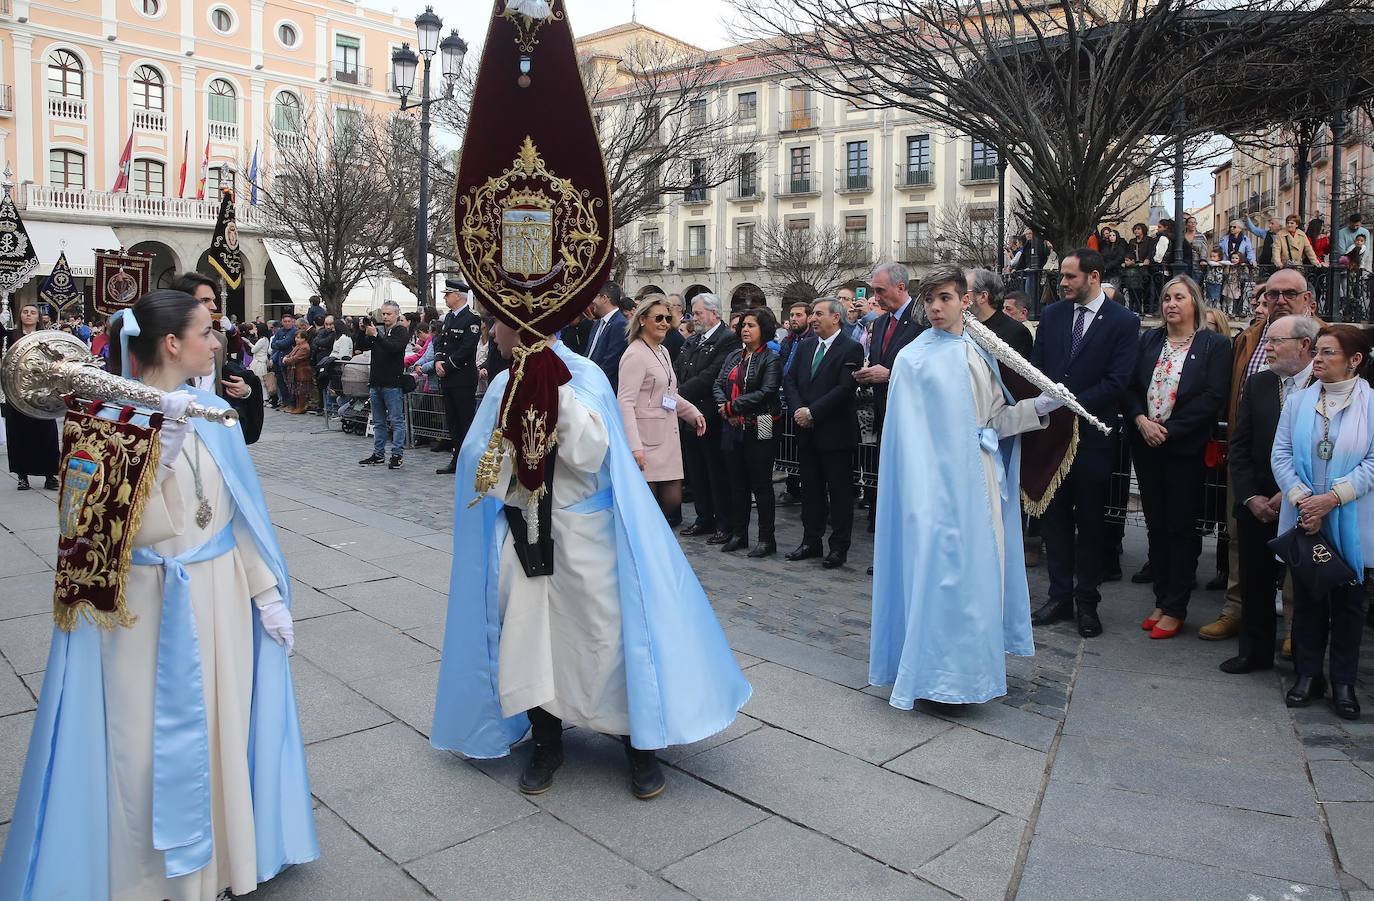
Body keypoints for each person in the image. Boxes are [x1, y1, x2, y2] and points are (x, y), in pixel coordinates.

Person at [0, 289, 317, 899]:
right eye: (206, 331)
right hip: (146, 608)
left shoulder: (210, 411)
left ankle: (223, 865)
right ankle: (151, 880)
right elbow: (89, 535)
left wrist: (263, 591)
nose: (217, 342)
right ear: (172, 343)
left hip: (219, 595)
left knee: (221, 730)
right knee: (149, 744)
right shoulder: (102, 418)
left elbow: (236, 515)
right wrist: (155, 459)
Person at [431, 322, 751, 798]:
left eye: (497, 321)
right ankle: (546, 740)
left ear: (520, 327)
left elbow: (592, 452)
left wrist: (551, 394)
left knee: (606, 641)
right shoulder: (502, 381)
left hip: (586, 534)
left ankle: (635, 743)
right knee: (528, 641)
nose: (491, 331)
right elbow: (482, 463)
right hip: (526, 532)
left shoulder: (582, 375)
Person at [870, 264, 1053, 707]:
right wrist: (921, 492)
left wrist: (1037, 407)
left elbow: (991, 420)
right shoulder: (911, 359)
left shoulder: (979, 353)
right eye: (929, 300)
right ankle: (931, 676)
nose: (935, 307)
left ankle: (967, 677)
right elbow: (906, 441)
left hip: (977, 483)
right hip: (932, 491)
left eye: (945, 298)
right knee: (935, 577)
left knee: (974, 579)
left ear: (965, 300)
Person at [1029, 249, 1140, 638]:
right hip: (1052, 436)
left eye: (1069, 276)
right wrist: (1045, 401)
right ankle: (1058, 596)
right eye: (1062, 276)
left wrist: (1068, 401)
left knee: (1091, 523)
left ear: (1093, 277)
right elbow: (1037, 366)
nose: (1062, 283)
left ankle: (1086, 602)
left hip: (1093, 437)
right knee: (1054, 520)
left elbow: (1118, 381)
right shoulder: (1054, 315)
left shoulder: (1124, 322)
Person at [1272, 324, 1373, 721]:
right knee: (1309, 598)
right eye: (1316, 351)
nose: (1317, 358)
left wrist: (1333, 497)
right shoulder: (1298, 402)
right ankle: (1307, 673)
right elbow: (1280, 454)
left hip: (1352, 516)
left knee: (1350, 604)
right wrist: (1303, 501)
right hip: (1306, 516)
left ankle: (1343, 681)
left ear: (1354, 361)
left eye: (1328, 353)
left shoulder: (1370, 404)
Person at [1124, 276, 1232, 639]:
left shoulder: (1214, 345)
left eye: (1179, 297)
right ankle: (1161, 598)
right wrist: (1140, 420)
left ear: (1194, 303)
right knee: (1156, 525)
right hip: (1146, 444)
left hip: (1182, 447)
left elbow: (1211, 397)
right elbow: (1132, 386)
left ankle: (1176, 606)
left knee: (1180, 527)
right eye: (1167, 297)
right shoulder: (1150, 340)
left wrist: (1168, 429)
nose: (1171, 304)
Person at [1221, 313, 1318, 674]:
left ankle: (1307, 663)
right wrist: (1249, 496)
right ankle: (1254, 651)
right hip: (1258, 502)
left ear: (1304, 346)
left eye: (1277, 342)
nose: (1269, 349)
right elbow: (1240, 444)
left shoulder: (1323, 385)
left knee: (1307, 584)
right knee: (1255, 580)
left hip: (1305, 502)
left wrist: (1288, 492)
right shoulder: (1261, 383)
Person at [783, 297, 864, 568]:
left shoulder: (850, 348)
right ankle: (811, 541)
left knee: (839, 494)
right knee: (811, 491)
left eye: (818, 314)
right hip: (806, 433)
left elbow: (844, 389)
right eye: (813, 314)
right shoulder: (806, 347)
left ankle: (839, 547)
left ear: (836, 318)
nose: (813, 318)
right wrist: (799, 410)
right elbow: (790, 379)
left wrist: (813, 412)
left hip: (835, 434)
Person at [617, 294, 706, 517]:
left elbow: (669, 393)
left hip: (667, 437)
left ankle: (656, 546)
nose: (664, 323)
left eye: (667, 318)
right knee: (648, 508)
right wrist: (634, 446)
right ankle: (647, 549)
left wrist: (692, 413)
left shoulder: (663, 351)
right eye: (658, 318)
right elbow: (625, 402)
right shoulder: (634, 354)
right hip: (645, 440)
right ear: (642, 320)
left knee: (672, 501)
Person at [712, 307, 782, 557]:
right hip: (732, 427)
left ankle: (766, 539)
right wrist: (725, 408)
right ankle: (739, 534)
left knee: (761, 485)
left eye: (751, 325)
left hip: (759, 427)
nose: (745, 329)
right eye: (743, 325)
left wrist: (731, 407)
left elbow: (767, 391)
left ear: (764, 329)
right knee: (737, 484)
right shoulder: (734, 356)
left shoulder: (770, 358)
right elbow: (718, 384)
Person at [676, 293, 739, 543]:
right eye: (693, 312)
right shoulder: (694, 340)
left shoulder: (727, 340)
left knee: (716, 471)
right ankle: (704, 518)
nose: (695, 317)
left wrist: (677, 394)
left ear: (714, 313)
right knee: (697, 470)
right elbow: (680, 367)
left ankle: (724, 522)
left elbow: (712, 375)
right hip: (688, 414)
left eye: (699, 313)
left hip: (710, 414)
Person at [1, 304, 61, 491]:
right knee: (19, 433)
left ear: (39, 317)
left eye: (33, 312)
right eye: (25, 312)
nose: (28, 315)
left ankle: (50, 475)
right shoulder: (9, 336)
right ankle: (22, 475)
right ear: (20, 316)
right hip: (16, 393)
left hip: (42, 393)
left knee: (47, 434)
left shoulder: (47, 337)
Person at [431, 277, 482, 475]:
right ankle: (457, 457)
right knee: (452, 420)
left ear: (458, 296)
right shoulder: (450, 318)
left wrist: (447, 366)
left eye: (448, 294)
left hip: (461, 377)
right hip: (448, 377)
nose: (445, 298)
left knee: (465, 420)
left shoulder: (471, 318)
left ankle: (469, 459)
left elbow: (467, 348)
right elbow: (441, 343)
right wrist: (437, 361)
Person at [358, 300, 410, 469]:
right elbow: (361, 346)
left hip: (392, 383)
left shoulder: (401, 331)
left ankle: (397, 455)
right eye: (384, 313)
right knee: (378, 422)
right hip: (376, 382)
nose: (385, 317)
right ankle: (378, 454)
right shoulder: (380, 331)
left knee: (396, 421)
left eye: (389, 314)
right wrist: (362, 331)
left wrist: (376, 336)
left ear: (397, 314)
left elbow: (393, 348)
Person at [776, 299, 814, 506]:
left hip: (801, 399)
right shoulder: (788, 341)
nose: (793, 319)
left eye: (798, 315)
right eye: (791, 315)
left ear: (809, 317)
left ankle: (806, 490)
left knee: (802, 449)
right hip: (784, 398)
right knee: (789, 448)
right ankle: (792, 487)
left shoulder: (812, 340)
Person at [967, 268, 1033, 358]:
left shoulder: (1016, 332)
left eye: (965, 292)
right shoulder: (963, 326)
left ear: (983, 296)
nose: (962, 297)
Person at [582, 282, 629, 391]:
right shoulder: (597, 323)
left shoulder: (620, 324)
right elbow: (589, 353)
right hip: (588, 382)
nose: (592, 301)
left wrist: (591, 382)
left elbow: (610, 363)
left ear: (604, 298)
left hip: (602, 387)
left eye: (595, 296)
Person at [282, 328, 314, 414]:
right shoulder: (298, 345)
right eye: (296, 337)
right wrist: (286, 357)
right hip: (296, 371)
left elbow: (296, 358)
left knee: (301, 391)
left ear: (304, 338)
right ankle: (298, 406)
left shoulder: (304, 347)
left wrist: (286, 360)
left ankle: (301, 407)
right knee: (297, 391)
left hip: (302, 371)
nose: (296, 339)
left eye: (299, 337)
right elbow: (291, 354)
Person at [269, 312, 298, 408]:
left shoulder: (294, 331)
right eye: (285, 321)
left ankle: (291, 403)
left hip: (288, 360)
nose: (287, 323)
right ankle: (285, 402)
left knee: (289, 383)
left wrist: (279, 343)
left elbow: (286, 343)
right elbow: (273, 344)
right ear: (282, 322)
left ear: (292, 322)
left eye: (289, 321)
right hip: (278, 360)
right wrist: (279, 343)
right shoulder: (279, 331)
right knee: (281, 383)